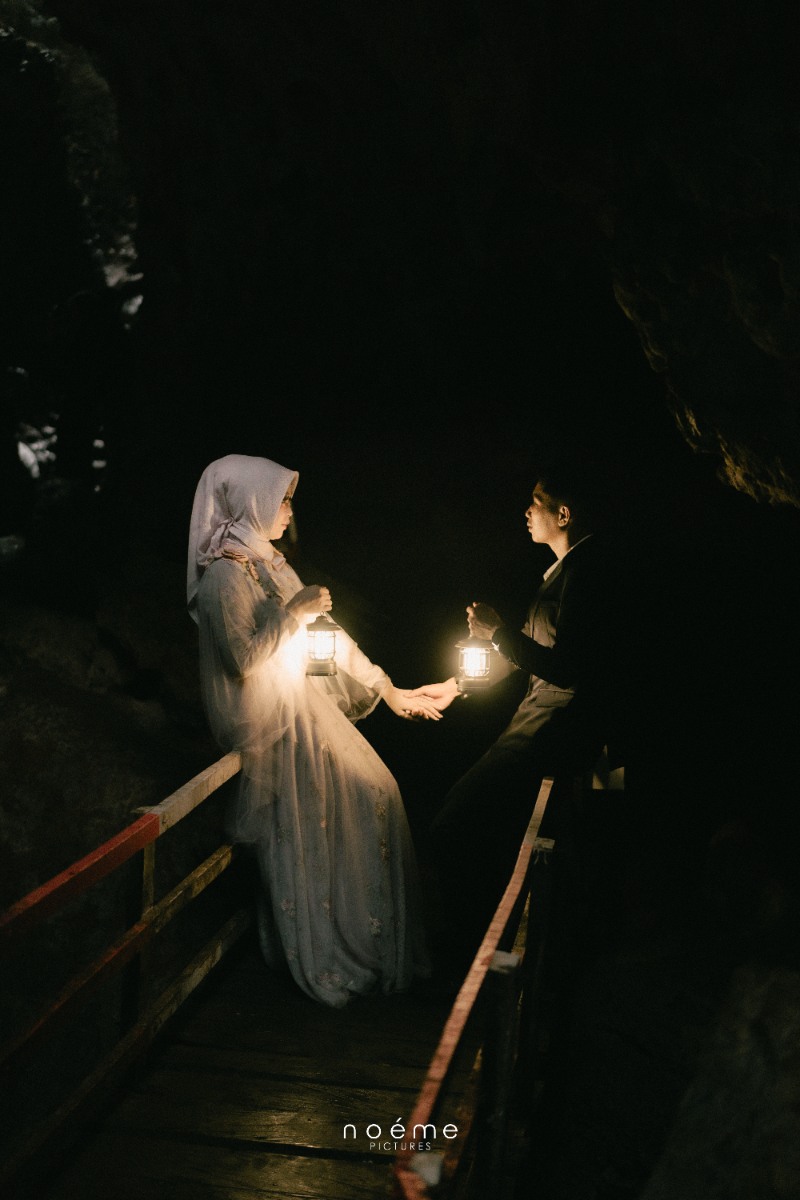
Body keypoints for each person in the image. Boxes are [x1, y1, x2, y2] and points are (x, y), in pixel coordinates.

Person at [187, 453, 440, 1008]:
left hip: (304, 710)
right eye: (281, 500)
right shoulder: (224, 576)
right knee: (343, 810)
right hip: (277, 725)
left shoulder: (268, 563)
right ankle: (325, 949)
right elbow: (241, 661)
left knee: (378, 793)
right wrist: (293, 615)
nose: (289, 511)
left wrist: (388, 688)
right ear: (251, 502)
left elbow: (331, 636)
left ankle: (369, 943)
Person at [411, 459, 618, 967]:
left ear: (563, 514)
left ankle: (472, 954)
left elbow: (565, 667)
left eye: (537, 503)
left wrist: (497, 632)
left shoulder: (587, 573)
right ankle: (483, 947)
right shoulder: (565, 573)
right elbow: (529, 650)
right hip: (536, 721)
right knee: (478, 828)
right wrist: (457, 685)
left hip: (553, 728)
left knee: (455, 825)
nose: (526, 511)